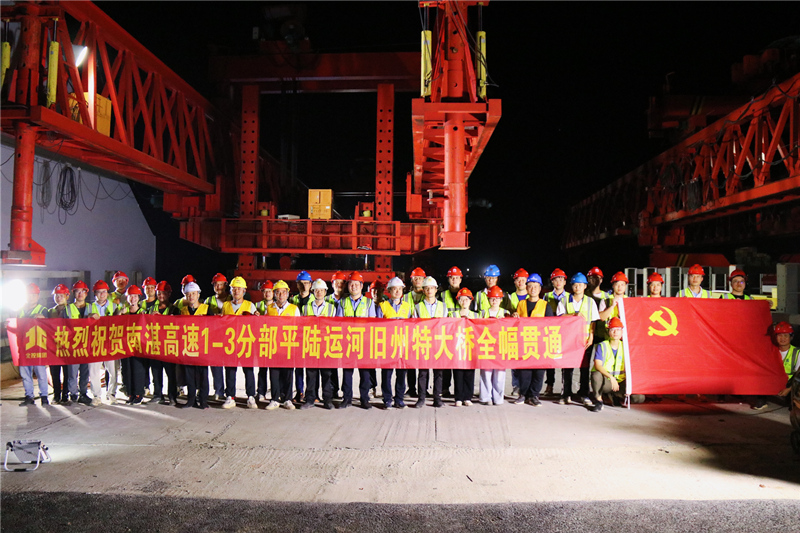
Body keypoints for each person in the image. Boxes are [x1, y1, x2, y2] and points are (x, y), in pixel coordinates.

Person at [556, 273, 600, 406]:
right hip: (568, 339)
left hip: (584, 340)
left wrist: (591, 336)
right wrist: (573, 314)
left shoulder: (590, 301)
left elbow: (593, 321)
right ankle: (566, 394)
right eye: (575, 285)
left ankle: (584, 394)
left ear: (585, 286)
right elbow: (559, 318)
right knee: (567, 367)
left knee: (584, 368)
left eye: (580, 285)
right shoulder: (564, 300)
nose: (578, 287)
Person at [336, 271, 376, 409]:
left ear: (361, 285)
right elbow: (339, 323)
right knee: (347, 373)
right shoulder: (342, 302)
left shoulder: (369, 302)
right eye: (351, 284)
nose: (354, 287)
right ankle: (346, 398)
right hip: (347, 343)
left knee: (365, 373)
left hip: (364, 343)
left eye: (356, 284)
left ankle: (364, 399)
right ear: (348, 286)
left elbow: (372, 323)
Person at [513, 273, 553, 406]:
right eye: (530, 286)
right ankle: (523, 394)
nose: (533, 289)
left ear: (540, 288)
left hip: (540, 344)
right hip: (525, 343)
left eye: (536, 286)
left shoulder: (545, 305)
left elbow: (551, 325)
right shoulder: (521, 304)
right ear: (526, 288)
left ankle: (534, 395)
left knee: (538, 372)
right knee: (524, 371)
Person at [220, 276, 259, 410]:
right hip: (230, 343)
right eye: (234, 288)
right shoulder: (226, 305)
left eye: (239, 289)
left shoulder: (250, 305)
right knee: (230, 370)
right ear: (231, 290)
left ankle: (251, 396)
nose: (236, 291)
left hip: (245, 342)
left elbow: (256, 325)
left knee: (248, 370)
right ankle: (230, 396)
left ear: (244, 291)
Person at [376, 277, 414, 409]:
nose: (397, 291)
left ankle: (399, 399)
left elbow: (412, 326)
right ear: (389, 290)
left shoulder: (407, 307)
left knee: (401, 375)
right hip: (388, 346)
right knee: (386, 374)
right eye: (394, 289)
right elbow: (377, 327)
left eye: (400, 289)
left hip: (403, 346)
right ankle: (387, 399)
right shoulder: (382, 306)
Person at [300, 279, 336, 410]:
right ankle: (310, 399)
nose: (319, 292)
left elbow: (335, 326)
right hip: (311, 345)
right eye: (316, 290)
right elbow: (302, 326)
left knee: (327, 375)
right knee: (311, 374)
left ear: (325, 292)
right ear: (313, 292)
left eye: (321, 290)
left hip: (326, 345)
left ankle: (327, 400)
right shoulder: (305, 308)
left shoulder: (332, 308)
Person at [175, 281, 211, 409]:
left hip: (202, 346)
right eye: (188, 294)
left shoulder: (207, 309)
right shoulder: (183, 310)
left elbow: (215, 326)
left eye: (194, 294)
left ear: (198, 294)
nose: (191, 296)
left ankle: (203, 400)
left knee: (203, 375)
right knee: (189, 374)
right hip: (188, 346)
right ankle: (191, 400)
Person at [414, 276, 448, 408]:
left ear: (436, 290)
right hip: (424, 343)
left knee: (439, 373)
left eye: (431, 288)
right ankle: (421, 398)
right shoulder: (418, 307)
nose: (429, 290)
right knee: (423, 372)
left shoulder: (443, 306)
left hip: (439, 343)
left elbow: (446, 325)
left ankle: (437, 398)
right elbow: (414, 325)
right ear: (423, 290)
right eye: (427, 288)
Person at [266, 280, 300, 410]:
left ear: (287, 293)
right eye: (278, 292)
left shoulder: (294, 309)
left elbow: (298, 328)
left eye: (283, 292)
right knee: (274, 373)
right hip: (273, 345)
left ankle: (287, 399)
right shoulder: (269, 308)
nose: (281, 295)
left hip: (288, 345)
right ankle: (275, 399)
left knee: (288, 373)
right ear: (274, 294)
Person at [68, 280, 101, 406]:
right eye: (77, 291)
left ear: (86, 293)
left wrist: (95, 316)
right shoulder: (68, 308)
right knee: (73, 372)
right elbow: (63, 326)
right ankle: (73, 394)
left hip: (87, 344)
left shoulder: (91, 307)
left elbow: (98, 324)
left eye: (83, 291)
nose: (80, 294)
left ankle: (83, 393)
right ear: (74, 293)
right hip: (73, 345)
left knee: (85, 371)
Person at [116, 284, 149, 405]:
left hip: (139, 347)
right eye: (130, 296)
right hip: (125, 346)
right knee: (127, 370)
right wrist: (120, 314)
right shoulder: (123, 312)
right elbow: (114, 325)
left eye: (135, 296)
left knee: (138, 370)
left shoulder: (143, 312)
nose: (133, 298)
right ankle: (130, 393)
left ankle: (138, 394)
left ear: (139, 298)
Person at [18, 283, 49, 406]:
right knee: (25, 372)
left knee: (41, 372)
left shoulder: (43, 310)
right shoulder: (20, 310)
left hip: (38, 346)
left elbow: (51, 325)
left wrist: (43, 318)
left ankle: (44, 396)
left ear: (38, 296)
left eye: (33, 295)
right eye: (29, 295)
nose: (31, 297)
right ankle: (29, 396)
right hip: (23, 346)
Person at [478, 285, 509, 405]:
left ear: (501, 300)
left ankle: (498, 398)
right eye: (492, 298)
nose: (494, 301)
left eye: (497, 298)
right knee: (486, 373)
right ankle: (485, 398)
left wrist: (506, 320)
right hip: (486, 346)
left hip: (501, 346)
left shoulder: (506, 313)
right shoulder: (483, 313)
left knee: (500, 374)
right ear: (488, 299)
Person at [48, 284, 77, 405]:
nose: (59, 298)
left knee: (67, 372)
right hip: (54, 347)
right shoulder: (50, 311)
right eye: (56, 296)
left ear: (67, 296)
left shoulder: (72, 309)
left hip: (68, 346)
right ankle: (56, 395)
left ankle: (65, 395)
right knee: (54, 372)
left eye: (61, 295)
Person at [92, 280, 120, 404]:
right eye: (99, 292)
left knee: (113, 371)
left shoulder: (114, 307)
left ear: (107, 293)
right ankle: (96, 396)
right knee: (94, 371)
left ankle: (111, 394)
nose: (102, 294)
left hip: (110, 342)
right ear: (95, 293)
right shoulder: (90, 307)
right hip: (95, 342)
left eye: (104, 292)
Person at [543, 268, 569, 397]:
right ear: (552, 281)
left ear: (565, 282)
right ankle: (550, 385)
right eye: (556, 279)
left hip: (565, 332)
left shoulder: (569, 297)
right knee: (550, 360)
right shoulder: (546, 296)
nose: (558, 281)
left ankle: (565, 386)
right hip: (551, 332)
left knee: (566, 361)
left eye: (561, 279)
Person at [439, 266, 464, 397]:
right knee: (446, 363)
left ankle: (460, 391)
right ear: (448, 279)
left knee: (460, 363)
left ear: (461, 279)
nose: (454, 280)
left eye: (456, 278)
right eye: (452, 278)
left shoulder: (466, 294)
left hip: (462, 334)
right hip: (447, 333)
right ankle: (445, 389)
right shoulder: (442, 295)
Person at [450, 288, 477, 407]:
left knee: (469, 373)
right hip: (457, 347)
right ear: (458, 301)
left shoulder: (476, 315)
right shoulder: (453, 315)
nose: (464, 301)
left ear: (471, 301)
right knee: (458, 373)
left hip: (471, 348)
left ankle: (468, 397)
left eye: (467, 299)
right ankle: (458, 397)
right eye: (462, 299)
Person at [290, 271, 314, 402]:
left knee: (311, 368)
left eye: (306, 283)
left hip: (311, 337)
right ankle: (299, 392)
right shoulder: (292, 300)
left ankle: (312, 394)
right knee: (298, 367)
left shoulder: (315, 299)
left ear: (310, 284)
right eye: (301, 283)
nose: (303, 286)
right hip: (296, 337)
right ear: (297, 284)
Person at [404, 267, 426, 398]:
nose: (418, 280)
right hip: (409, 334)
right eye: (415, 278)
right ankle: (411, 388)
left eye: (420, 278)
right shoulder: (405, 297)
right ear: (411, 280)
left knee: (424, 364)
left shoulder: (428, 294)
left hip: (424, 334)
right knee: (410, 363)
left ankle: (424, 389)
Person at [325, 272, 347, 398]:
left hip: (347, 337)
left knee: (347, 367)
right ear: (332, 284)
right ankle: (333, 391)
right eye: (336, 282)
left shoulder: (349, 299)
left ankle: (346, 392)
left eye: (341, 282)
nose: (339, 285)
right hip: (331, 337)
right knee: (331, 366)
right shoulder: (326, 299)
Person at [769, 322, 798, 410]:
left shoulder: (797, 353)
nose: (782, 338)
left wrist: (789, 389)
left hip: (790, 384)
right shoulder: (771, 351)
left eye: (786, 336)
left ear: (791, 337)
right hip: (774, 382)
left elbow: (798, 377)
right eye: (780, 335)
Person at [255, 280, 274, 402]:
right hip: (261, 340)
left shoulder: (277, 306)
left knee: (274, 369)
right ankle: (261, 392)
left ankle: (276, 392)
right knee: (262, 369)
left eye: (270, 291)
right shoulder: (257, 305)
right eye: (265, 291)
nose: (267, 294)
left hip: (274, 340)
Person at [597, 272, 629, 343]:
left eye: (622, 284)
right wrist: (612, 306)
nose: (620, 287)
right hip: (609, 337)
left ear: (626, 286)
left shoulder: (629, 301)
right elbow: (602, 317)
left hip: (625, 338)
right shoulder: (606, 300)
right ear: (613, 285)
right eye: (617, 284)